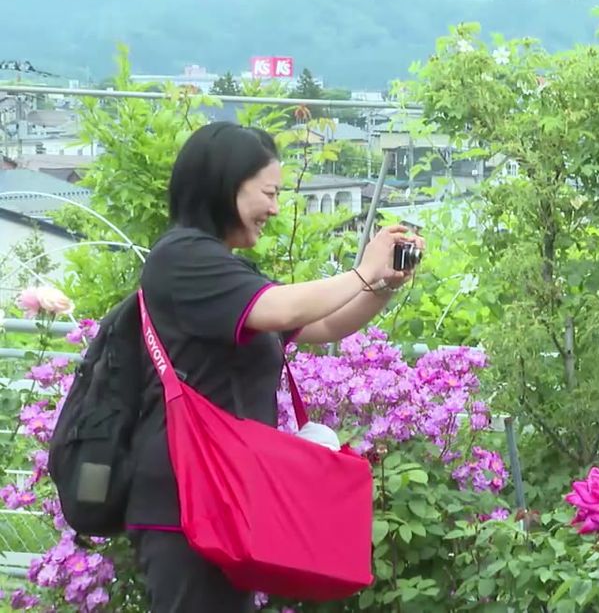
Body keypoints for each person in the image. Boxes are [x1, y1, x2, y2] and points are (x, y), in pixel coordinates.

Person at [125, 122, 422, 612]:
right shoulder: (182, 260)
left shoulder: (224, 266)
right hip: (186, 500)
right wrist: (361, 271)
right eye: (269, 192)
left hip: (222, 494)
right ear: (225, 185)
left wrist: (383, 284)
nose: (276, 208)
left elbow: (323, 324)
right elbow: (284, 309)